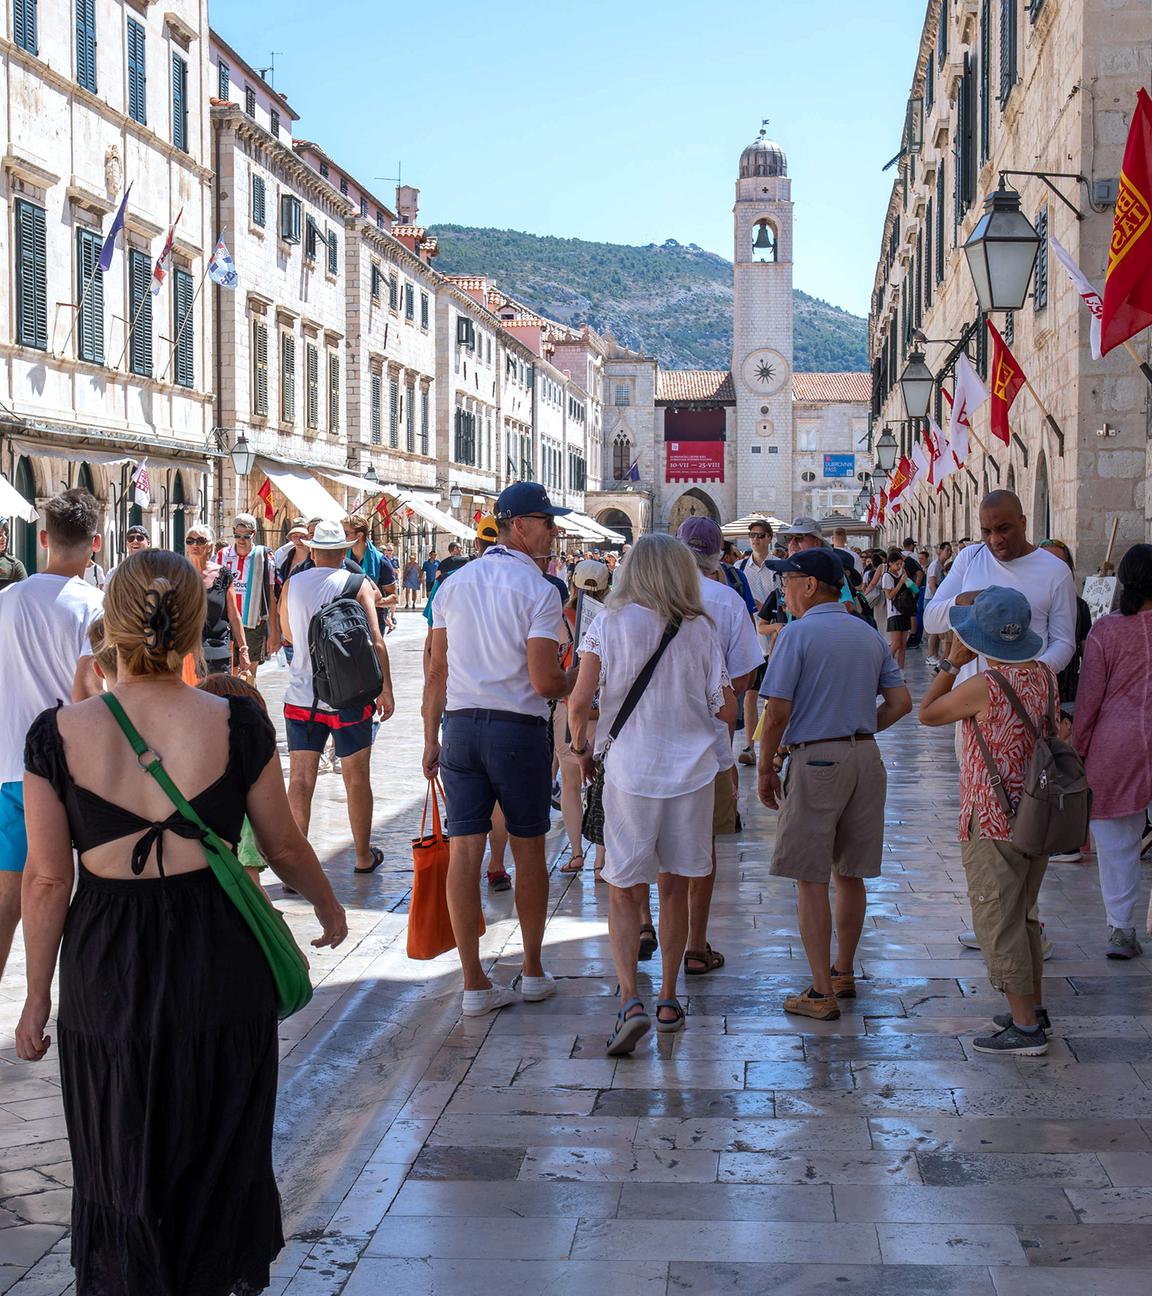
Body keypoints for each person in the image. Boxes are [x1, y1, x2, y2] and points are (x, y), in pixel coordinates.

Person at [15, 547, 347, 1293]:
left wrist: (37, 994)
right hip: (217, 952)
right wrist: (327, 905)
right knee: (219, 1132)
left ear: (114, 625)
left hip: (107, 958)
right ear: (198, 622)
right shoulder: (236, 722)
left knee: (119, 1135)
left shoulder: (58, 734)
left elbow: (44, 880)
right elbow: (285, 844)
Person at [569, 533, 735, 1053]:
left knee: (622, 887)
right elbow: (726, 708)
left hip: (630, 774)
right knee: (677, 887)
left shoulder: (608, 623)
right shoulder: (701, 629)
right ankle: (667, 997)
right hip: (690, 776)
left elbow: (579, 700)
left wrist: (581, 748)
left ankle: (629, 999)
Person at [422, 481, 572, 1017]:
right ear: (520, 526)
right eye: (546, 521)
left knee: (464, 853)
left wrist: (429, 736)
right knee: (529, 848)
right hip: (516, 730)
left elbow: (436, 670)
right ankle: (532, 970)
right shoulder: (541, 591)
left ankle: (473, 982)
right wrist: (576, 680)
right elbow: (544, 679)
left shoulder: (454, 585)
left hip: (460, 727)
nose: (553, 531)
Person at [758, 548, 911, 1020]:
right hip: (866, 757)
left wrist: (766, 765)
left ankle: (821, 991)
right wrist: (860, 728)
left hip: (817, 760)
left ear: (808, 586)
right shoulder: (866, 634)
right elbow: (902, 702)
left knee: (810, 878)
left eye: (788, 580)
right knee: (851, 873)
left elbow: (777, 710)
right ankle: (843, 970)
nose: (782, 588)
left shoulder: (797, 635)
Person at [924, 491, 1075, 956]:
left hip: (1027, 716)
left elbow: (1065, 641)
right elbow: (932, 619)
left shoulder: (1054, 571)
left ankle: (1028, 921)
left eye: (1004, 529)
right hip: (976, 711)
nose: (996, 539)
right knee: (983, 817)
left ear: (1023, 521)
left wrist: (1025, 678)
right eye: (987, 530)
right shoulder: (970, 559)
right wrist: (962, 603)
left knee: (1030, 815)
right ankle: (998, 917)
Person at [919, 587, 1055, 1055]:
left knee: (998, 921)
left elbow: (928, 713)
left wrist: (952, 663)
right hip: (1036, 815)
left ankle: (1025, 1028)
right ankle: (1032, 1007)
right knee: (1025, 915)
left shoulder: (986, 686)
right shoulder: (1045, 676)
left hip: (993, 817)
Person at [0, 489, 105, 977]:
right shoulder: (96, 608)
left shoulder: (5, 602)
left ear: (43, 538)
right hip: (76, 769)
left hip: (11, 767)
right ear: (96, 544)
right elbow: (91, 691)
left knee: (7, 894)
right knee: (87, 890)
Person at [279, 520, 395, 875]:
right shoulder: (356, 583)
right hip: (349, 698)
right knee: (356, 777)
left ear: (313, 552)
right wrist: (385, 688)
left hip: (302, 698)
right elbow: (375, 639)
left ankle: (299, 865)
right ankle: (362, 855)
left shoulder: (292, 584)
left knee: (300, 779)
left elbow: (286, 635)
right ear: (344, 553)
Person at [677, 517, 763, 975]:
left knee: (653, 841)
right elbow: (748, 675)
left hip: (651, 744)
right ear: (717, 558)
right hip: (710, 745)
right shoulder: (727, 601)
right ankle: (694, 943)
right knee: (702, 844)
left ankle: (650, 928)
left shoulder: (646, 598)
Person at [1073, 544, 1152, 959]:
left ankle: (1121, 929)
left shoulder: (1106, 631)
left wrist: (1079, 750)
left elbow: (1089, 701)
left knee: (1117, 844)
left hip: (1115, 744)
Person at [556, 559, 610, 881]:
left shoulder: (561, 618)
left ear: (573, 583)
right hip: (604, 710)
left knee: (571, 783)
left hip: (568, 706)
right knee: (602, 783)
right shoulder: (613, 618)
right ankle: (601, 862)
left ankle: (576, 852)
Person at [736, 519, 778, 767]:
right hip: (751, 638)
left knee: (773, 698)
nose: (755, 539)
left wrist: (767, 608)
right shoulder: (741, 567)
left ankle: (771, 747)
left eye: (761, 535)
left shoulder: (778, 568)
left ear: (770, 538)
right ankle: (749, 746)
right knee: (750, 695)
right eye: (752, 535)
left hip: (774, 639)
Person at [219, 512, 280, 681]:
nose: (241, 540)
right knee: (231, 671)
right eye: (237, 535)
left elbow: (270, 595)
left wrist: (274, 632)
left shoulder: (264, 557)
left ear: (253, 533)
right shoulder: (222, 556)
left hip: (254, 623)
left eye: (246, 536)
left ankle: (249, 704)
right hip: (227, 622)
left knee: (249, 673)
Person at [184, 523, 249, 678]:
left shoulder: (223, 575)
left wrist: (243, 649)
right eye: (190, 541)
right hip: (187, 651)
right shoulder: (179, 574)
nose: (194, 545)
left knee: (220, 697)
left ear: (210, 546)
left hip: (218, 648)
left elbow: (234, 615)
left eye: (200, 541)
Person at [881, 546, 919, 670]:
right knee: (896, 643)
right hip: (894, 613)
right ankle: (885, 667)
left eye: (901, 564)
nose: (899, 566)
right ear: (890, 563)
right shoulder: (887, 576)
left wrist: (906, 579)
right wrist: (900, 583)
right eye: (897, 564)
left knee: (903, 645)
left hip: (904, 611)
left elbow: (915, 589)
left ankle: (900, 671)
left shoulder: (901, 575)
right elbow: (889, 596)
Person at [924, 542, 953, 667]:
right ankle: (931, 655)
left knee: (938, 630)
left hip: (937, 599)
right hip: (932, 599)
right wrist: (939, 600)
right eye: (947, 550)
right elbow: (931, 584)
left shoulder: (942, 565)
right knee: (934, 631)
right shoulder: (935, 565)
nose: (950, 552)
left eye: (950, 550)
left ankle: (934, 654)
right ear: (940, 551)